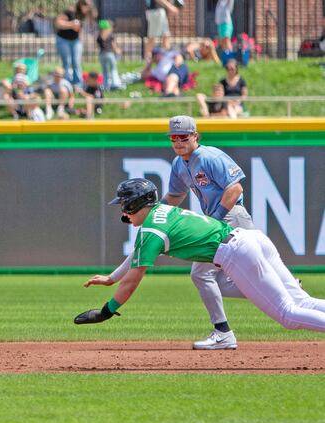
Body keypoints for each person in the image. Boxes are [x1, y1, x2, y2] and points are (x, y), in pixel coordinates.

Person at [76, 178, 325, 336]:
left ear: (135, 205)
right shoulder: (162, 213)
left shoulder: (151, 230)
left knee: (288, 315)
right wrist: (111, 277)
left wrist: (106, 311)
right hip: (251, 239)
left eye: (125, 206)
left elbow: (131, 283)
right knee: (301, 301)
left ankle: (223, 335)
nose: (123, 212)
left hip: (236, 252)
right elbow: (137, 255)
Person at [157, 115, 254, 348]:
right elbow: (175, 196)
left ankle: (223, 333)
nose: (178, 141)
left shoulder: (210, 156)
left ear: (195, 136)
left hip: (230, 216)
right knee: (223, 282)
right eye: (173, 137)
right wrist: (153, 215)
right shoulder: (179, 164)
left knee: (201, 274)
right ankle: (282, 286)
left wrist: (214, 223)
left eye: (183, 136)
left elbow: (235, 188)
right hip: (219, 220)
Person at [54, 5, 83, 87]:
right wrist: (71, 24)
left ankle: (78, 85)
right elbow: (58, 22)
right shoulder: (68, 12)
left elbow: (79, 28)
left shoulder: (82, 14)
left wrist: (80, 35)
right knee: (67, 62)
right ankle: (66, 84)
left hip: (75, 40)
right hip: (63, 39)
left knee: (76, 62)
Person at [96, 19, 122, 91]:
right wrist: (117, 50)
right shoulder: (110, 36)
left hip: (101, 55)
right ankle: (115, 84)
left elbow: (98, 47)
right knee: (113, 69)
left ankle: (105, 86)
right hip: (109, 54)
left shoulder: (99, 36)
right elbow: (113, 46)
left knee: (105, 71)